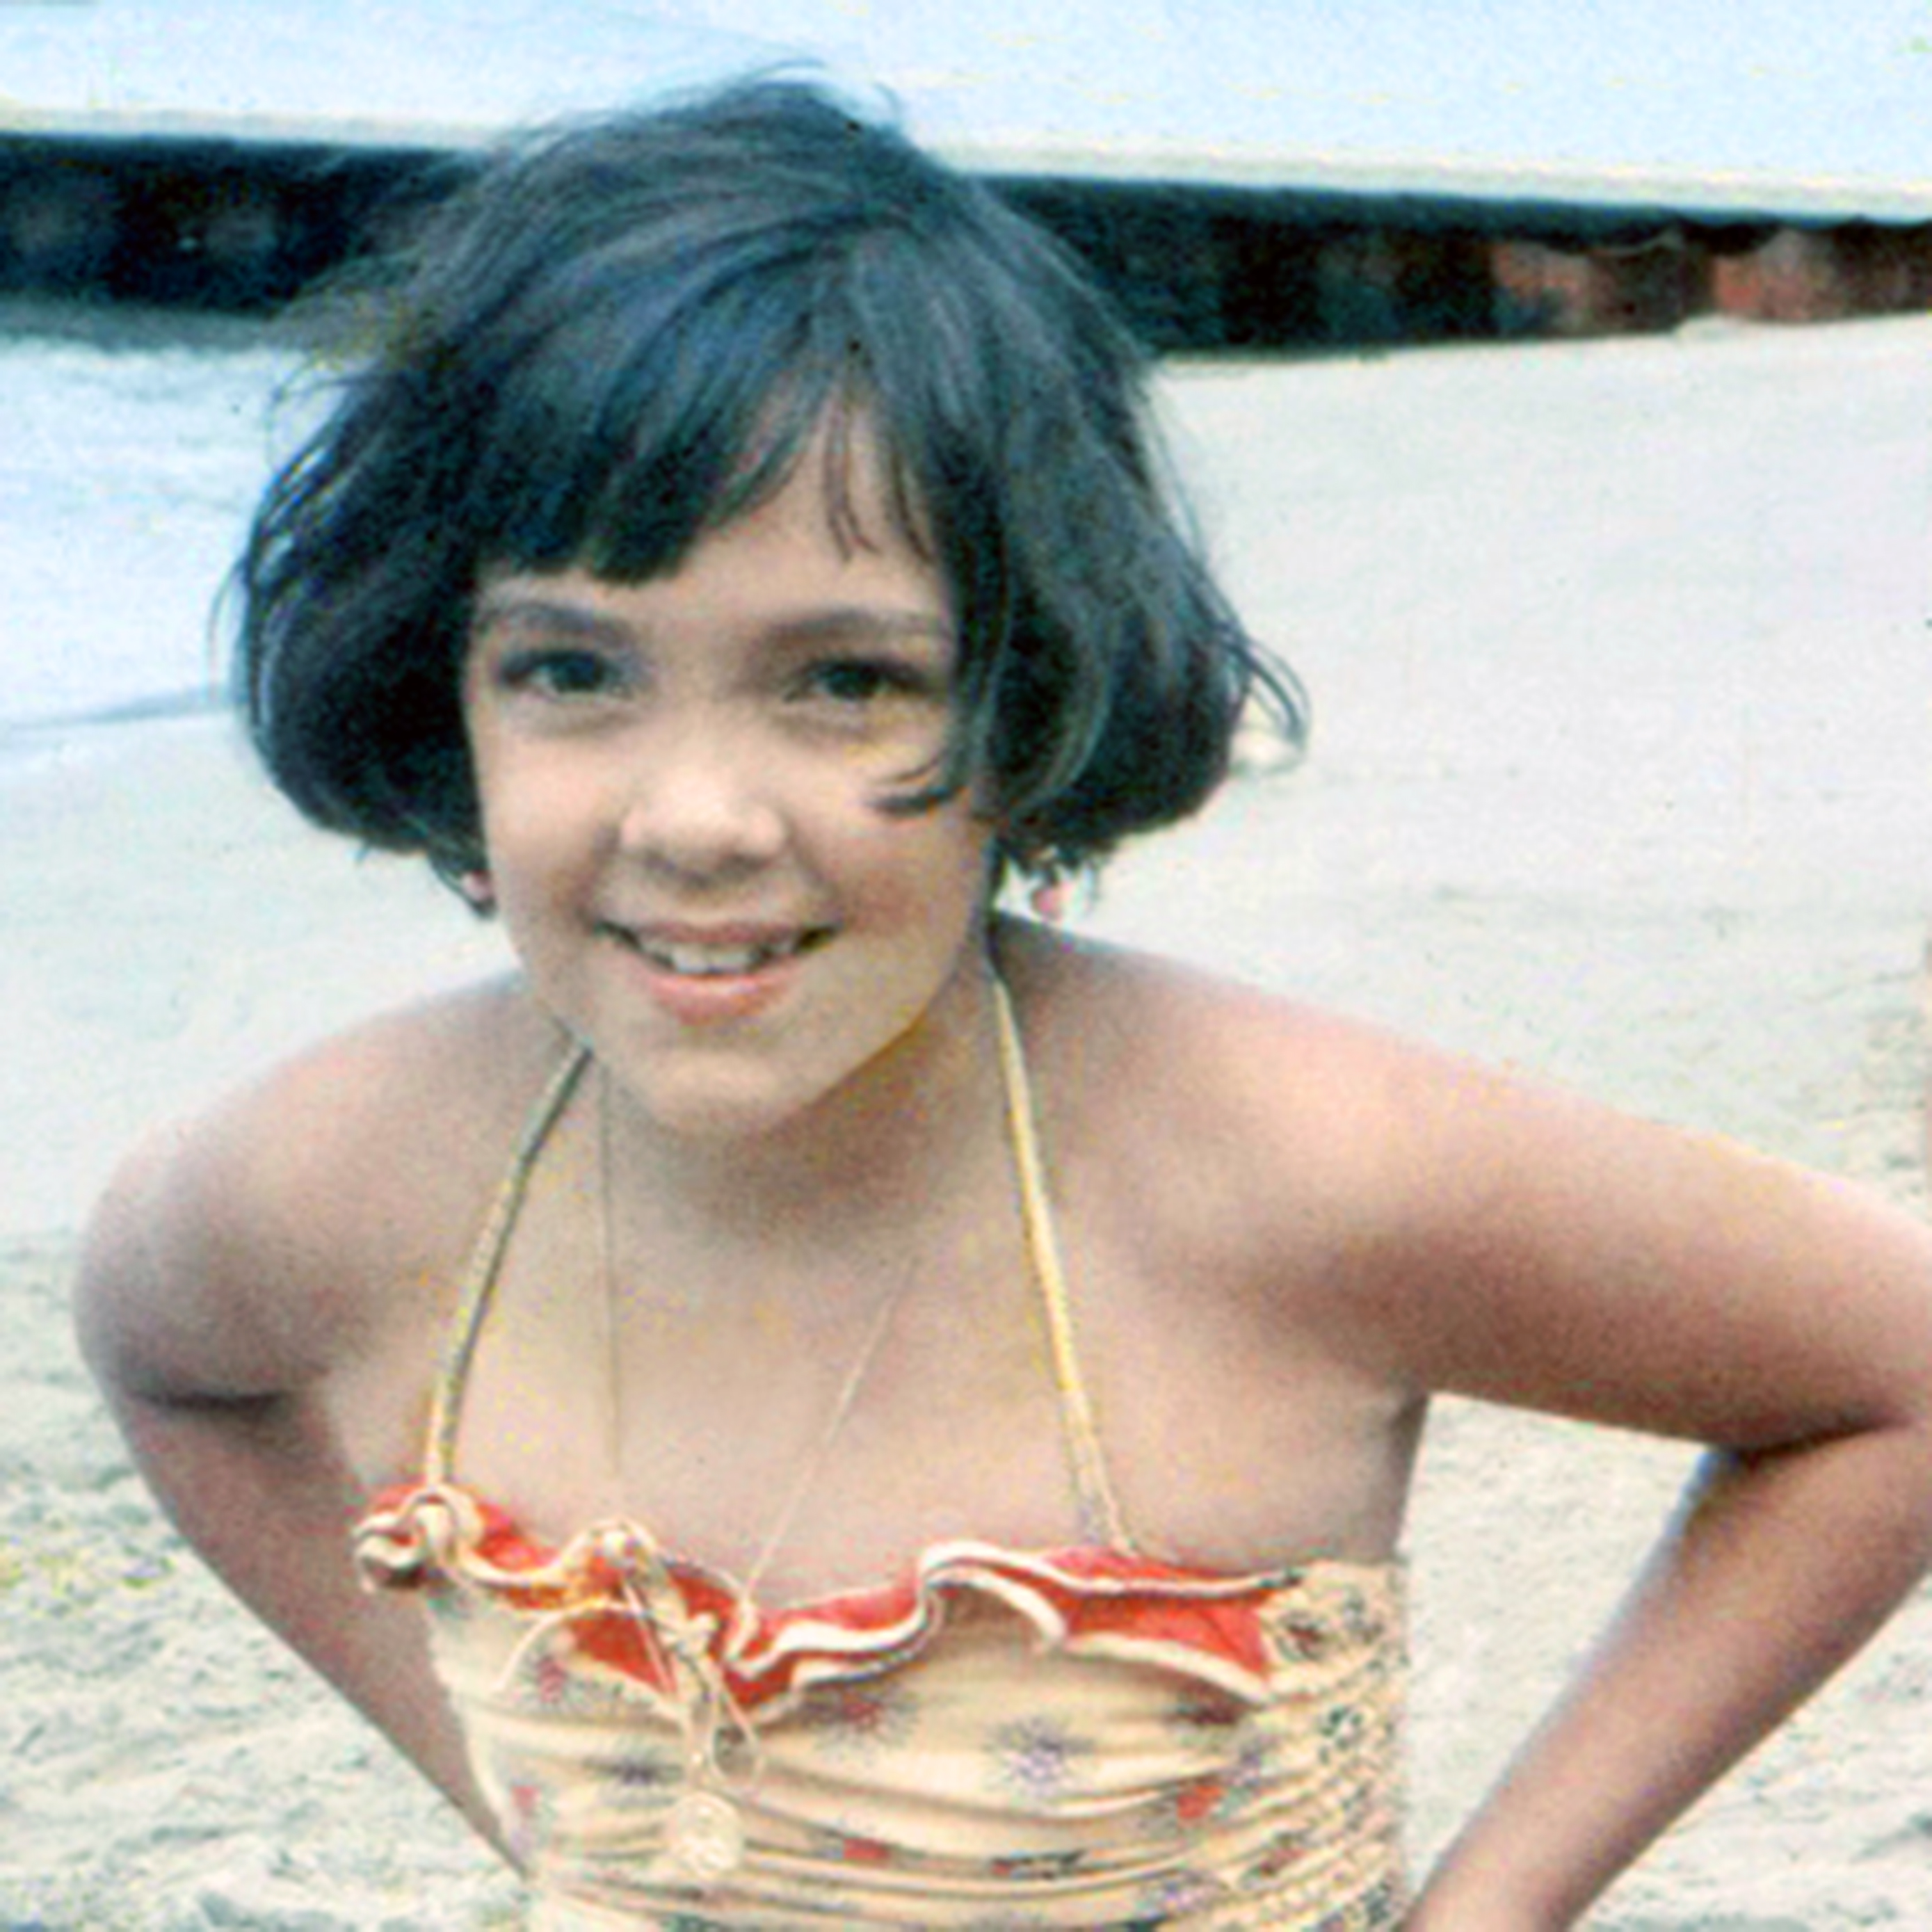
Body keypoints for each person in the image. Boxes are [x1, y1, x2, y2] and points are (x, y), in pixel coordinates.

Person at [74, 75, 1932, 1931]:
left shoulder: (1279, 1174)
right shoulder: (352, 1182)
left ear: (1030, 701)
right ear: (439, 684)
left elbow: (1889, 1375)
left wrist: (1493, 1908)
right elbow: (167, 1361)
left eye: (845, 684)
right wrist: (536, 1824)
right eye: (573, 670)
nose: (697, 818)